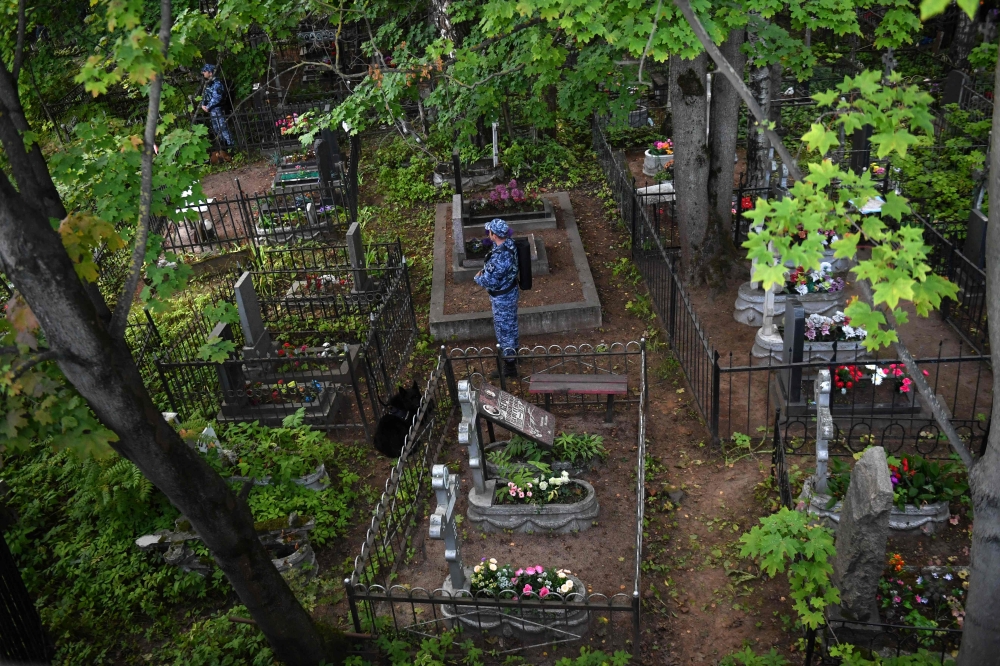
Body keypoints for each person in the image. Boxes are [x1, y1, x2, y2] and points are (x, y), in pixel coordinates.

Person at [474, 219, 520, 379]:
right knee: (511, 325)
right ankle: (514, 353)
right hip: (511, 291)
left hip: (502, 298)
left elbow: (490, 281)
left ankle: (509, 366)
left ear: (494, 234)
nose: (488, 234)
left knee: (504, 330)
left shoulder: (499, 259)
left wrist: (478, 278)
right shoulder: (509, 244)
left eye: (490, 232)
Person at [200, 64, 233, 151]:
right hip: (212, 110)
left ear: (210, 73)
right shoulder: (209, 84)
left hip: (218, 109)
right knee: (216, 129)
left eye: (205, 71)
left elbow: (217, 97)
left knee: (223, 128)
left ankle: (231, 147)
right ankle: (224, 147)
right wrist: (203, 104)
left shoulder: (217, 83)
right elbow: (206, 96)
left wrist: (208, 106)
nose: (203, 73)